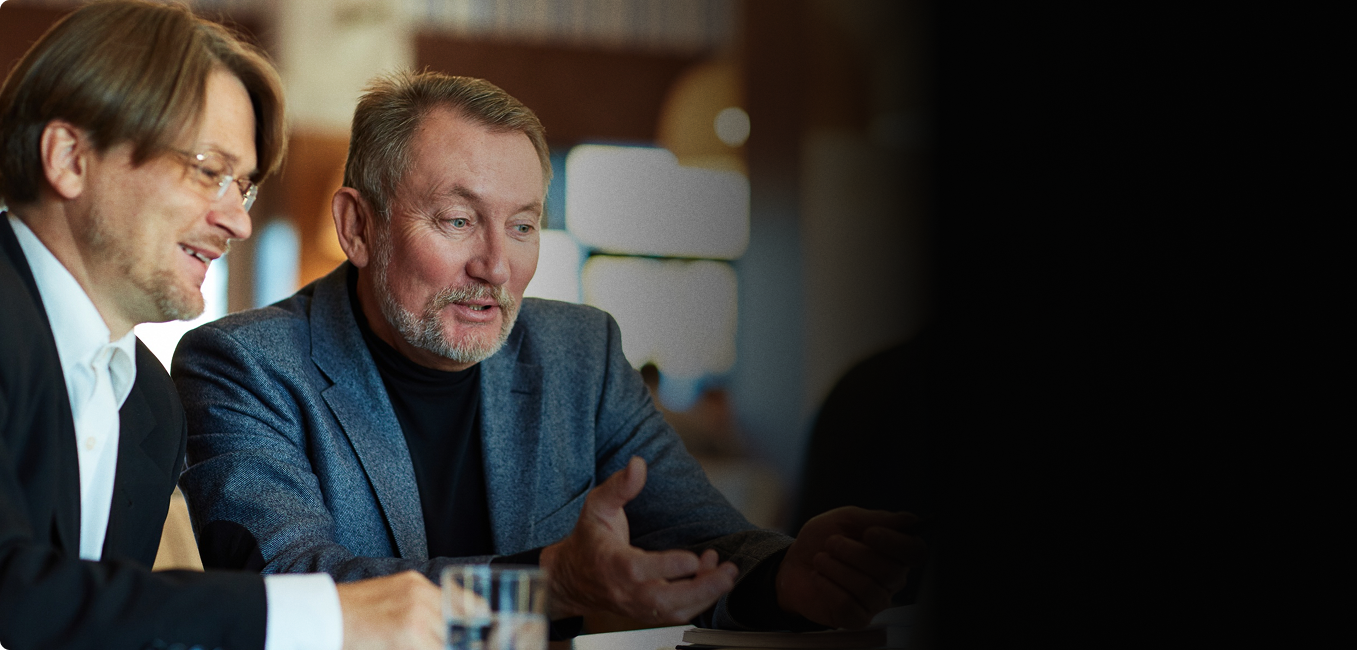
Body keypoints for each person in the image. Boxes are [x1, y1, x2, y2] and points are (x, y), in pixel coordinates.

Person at [172, 69, 927, 636]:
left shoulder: (579, 351)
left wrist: (789, 575)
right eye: (460, 221)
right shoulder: (244, 365)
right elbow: (299, 591)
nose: (497, 268)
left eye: (525, 227)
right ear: (359, 226)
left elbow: (705, 537)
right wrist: (547, 590)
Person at [0, 2, 441, 649]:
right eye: (208, 172)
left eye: (244, 187)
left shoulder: (150, 399)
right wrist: (323, 617)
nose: (237, 222)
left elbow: (97, 623)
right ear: (70, 158)